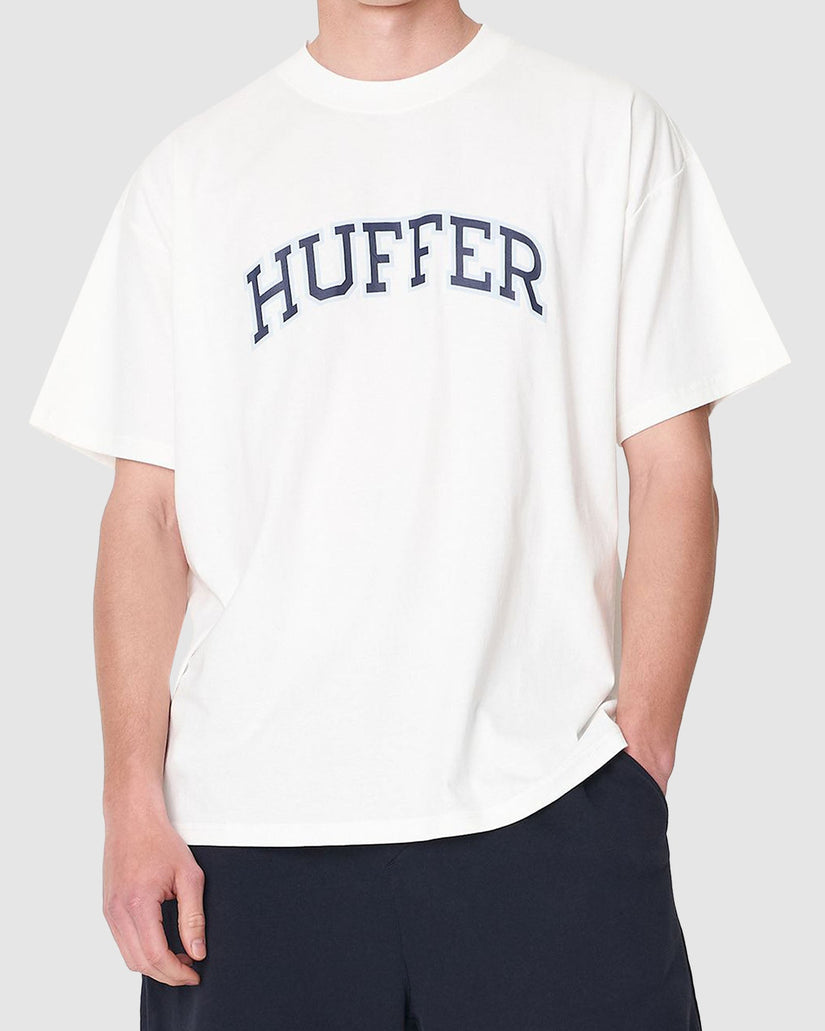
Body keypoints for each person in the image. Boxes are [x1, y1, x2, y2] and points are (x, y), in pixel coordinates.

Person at [29, 1, 790, 1028]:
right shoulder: (190, 175)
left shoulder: (605, 131)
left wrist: (635, 770)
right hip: (249, 843)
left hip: (548, 813)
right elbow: (148, 513)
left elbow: (671, 468)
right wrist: (129, 798)